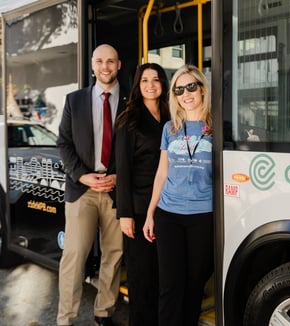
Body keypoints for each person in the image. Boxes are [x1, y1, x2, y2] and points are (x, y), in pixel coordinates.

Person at [56, 44, 126, 326]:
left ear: (119, 64)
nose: (105, 67)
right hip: (82, 189)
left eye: (110, 61)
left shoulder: (132, 102)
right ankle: (66, 318)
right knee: (73, 257)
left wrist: (120, 176)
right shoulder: (74, 101)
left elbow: (139, 149)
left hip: (117, 191)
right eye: (100, 61)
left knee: (114, 254)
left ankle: (104, 312)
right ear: (93, 65)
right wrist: (82, 175)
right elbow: (63, 143)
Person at [143, 64, 213, 326]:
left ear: (202, 89)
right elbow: (161, 173)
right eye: (179, 89)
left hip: (203, 216)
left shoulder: (217, 127)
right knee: (170, 286)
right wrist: (151, 213)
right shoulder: (170, 129)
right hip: (168, 214)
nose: (186, 93)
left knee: (194, 286)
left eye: (191, 86)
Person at [115, 63, 170, 326]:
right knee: (141, 278)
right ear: (137, 85)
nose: (151, 85)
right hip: (138, 208)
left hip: (169, 206)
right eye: (145, 80)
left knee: (163, 275)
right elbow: (122, 170)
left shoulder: (172, 115)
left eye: (156, 79)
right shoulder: (129, 119)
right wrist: (125, 214)